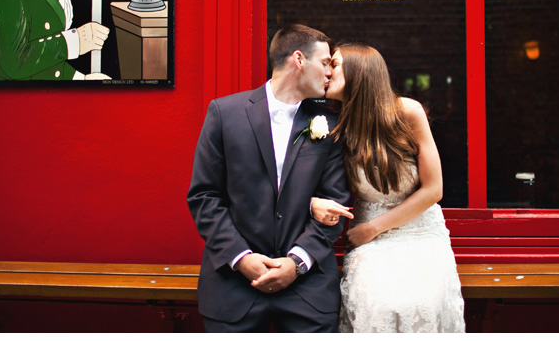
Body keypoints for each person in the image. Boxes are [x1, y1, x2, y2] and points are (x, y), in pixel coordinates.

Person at [187, 24, 351, 333]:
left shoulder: (330, 122)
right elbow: (204, 196)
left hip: (308, 290)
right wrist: (241, 258)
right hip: (233, 287)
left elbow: (336, 204)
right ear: (298, 59)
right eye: (326, 62)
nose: (330, 72)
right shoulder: (225, 113)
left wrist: (296, 262)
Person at [311, 43, 465, 333]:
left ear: (359, 72)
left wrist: (373, 228)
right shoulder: (336, 123)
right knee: (375, 302)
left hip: (418, 231)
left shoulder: (407, 112)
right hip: (370, 241)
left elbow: (434, 190)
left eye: (335, 64)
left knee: (424, 303)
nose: (327, 72)